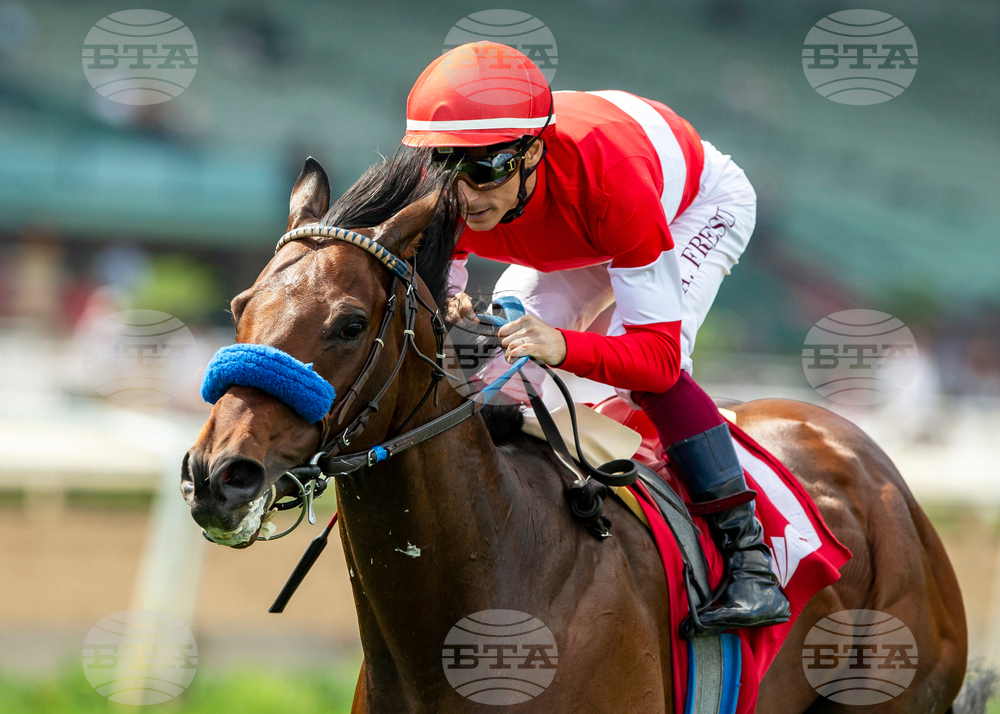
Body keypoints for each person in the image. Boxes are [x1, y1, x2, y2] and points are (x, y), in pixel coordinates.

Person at [402, 41, 789, 632]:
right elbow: (436, 311)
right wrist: (452, 309)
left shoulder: (610, 185)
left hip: (679, 205)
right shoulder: (447, 197)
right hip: (576, 220)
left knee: (646, 376)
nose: (463, 196)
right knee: (500, 362)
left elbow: (654, 360)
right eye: (446, 170)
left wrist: (564, 345)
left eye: (484, 171)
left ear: (531, 152)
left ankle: (748, 558)